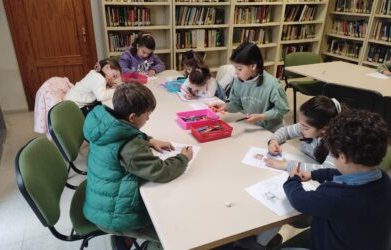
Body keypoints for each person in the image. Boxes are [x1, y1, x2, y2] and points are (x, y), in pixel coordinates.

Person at [82, 83, 193, 249]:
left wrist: (149, 140)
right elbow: (161, 171)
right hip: (117, 218)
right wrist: (183, 158)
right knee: (175, 238)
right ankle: (140, 242)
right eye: (147, 115)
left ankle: (124, 240)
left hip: (101, 203)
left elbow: (125, 130)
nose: (148, 119)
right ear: (133, 117)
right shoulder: (131, 148)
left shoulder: (105, 125)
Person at [283, 109, 391, 250]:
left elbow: (299, 200)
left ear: (342, 157)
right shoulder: (384, 179)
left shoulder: (335, 196)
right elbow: (342, 173)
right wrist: (314, 175)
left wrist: (293, 180)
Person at [211, 42, 289, 132]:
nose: (236, 72)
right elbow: (237, 104)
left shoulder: (273, 85)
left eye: (239, 69)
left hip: (271, 129)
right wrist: (226, 106)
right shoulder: (238, 81)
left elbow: (282, 109)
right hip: (253, 126)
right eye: (235, 68)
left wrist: (262, 116)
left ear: (253, 66)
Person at [265, 96, 342, 173]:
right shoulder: (306, 126)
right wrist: (273, 141)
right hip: (306, 164)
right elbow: (285, 131)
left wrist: (287, 165)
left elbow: (327, 171)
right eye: (300, 123)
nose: (300, 128)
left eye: (305, 128)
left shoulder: (337, 143)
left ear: (323, 129)